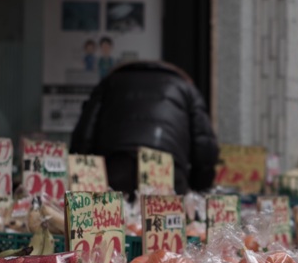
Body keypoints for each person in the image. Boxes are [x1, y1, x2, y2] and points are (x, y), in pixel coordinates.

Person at [70, 60, 219, 196]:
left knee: (109, 222)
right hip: (168, 173)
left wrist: (83, 179)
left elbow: (83, 138)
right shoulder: (187, 89)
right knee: (163, 219)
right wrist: (198, 188)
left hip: (115, 170)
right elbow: (205, 149)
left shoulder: (110, 83)